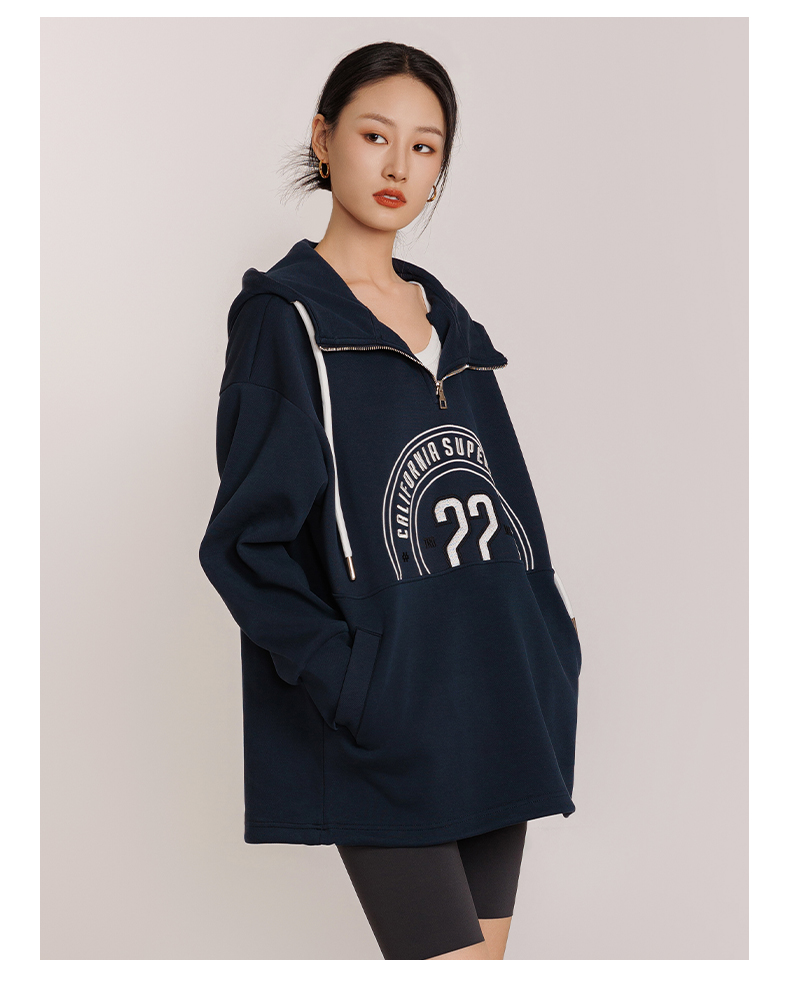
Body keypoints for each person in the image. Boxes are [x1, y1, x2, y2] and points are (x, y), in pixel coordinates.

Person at [199, 41, 583, 961]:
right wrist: (354, 680)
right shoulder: (287, 319)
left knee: (482, 970)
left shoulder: (450, 321)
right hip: (390, 714)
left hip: (497, 691)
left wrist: (550, 641)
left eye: (424, 146)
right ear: (324, 139)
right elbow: (246, 545)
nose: (398, 165)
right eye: (376, 136)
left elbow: (506, 500)